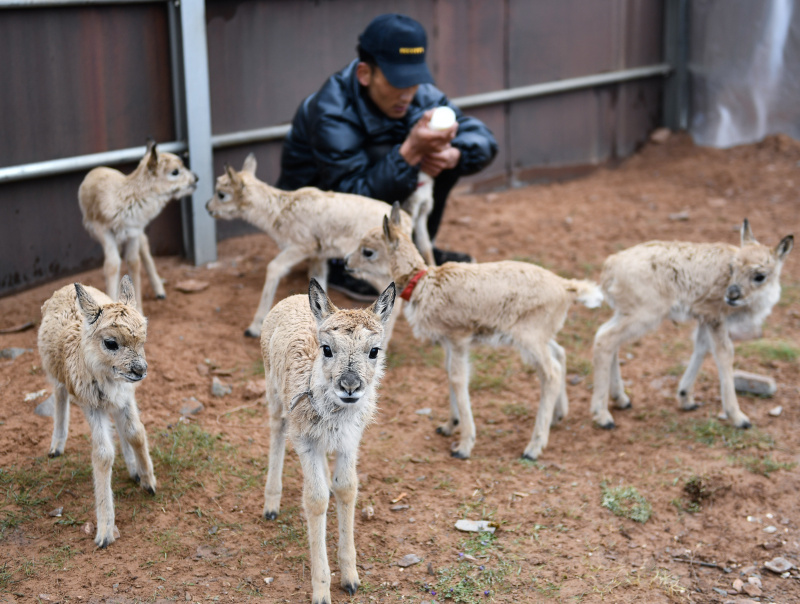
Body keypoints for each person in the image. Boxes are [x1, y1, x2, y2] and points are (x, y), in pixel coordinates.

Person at [277, 13, 498, 299]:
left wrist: (453, 155)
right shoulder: (331, 111)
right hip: (312, 221)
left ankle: (414, 246)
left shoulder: (421, 95)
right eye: (397, 81)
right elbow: (352, 194)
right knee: (401, 152)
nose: (407, 93)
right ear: (365, 74)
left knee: (442, 149)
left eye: (414, 80)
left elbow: (483, 139)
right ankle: (341, 264)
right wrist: (409, 152)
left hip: (368, 189)